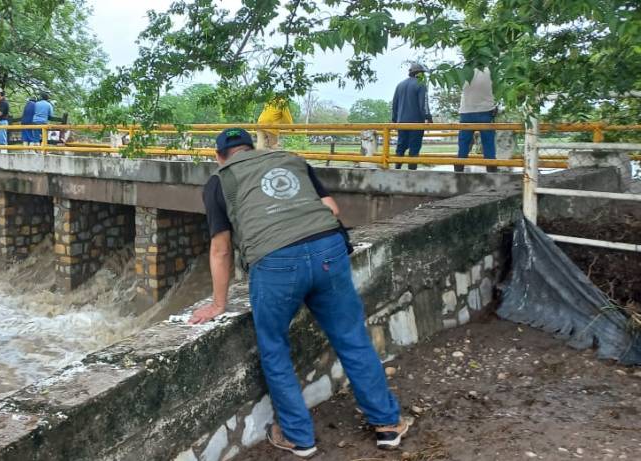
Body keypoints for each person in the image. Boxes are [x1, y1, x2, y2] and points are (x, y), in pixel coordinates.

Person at [190, 128, 412, 458]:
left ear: (219, 156)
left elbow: (221, 249)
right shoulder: (290, 159)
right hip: (328, 250)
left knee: (275, 348)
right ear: (252, 148)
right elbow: (331, 208)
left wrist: (218, 303)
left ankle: (299, 437)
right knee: (351, 336)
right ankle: (387, 425)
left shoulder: (219, 181)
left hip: (275, 262)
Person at [391, 63, 433, 170]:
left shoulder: (400, 85)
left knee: (400, 147)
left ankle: (397, 169)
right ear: (419, 73)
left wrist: (394, 120)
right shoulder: (421, 84)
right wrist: (428, 117)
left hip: (401, 123)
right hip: (416, 123)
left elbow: (394, 105)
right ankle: (412, 172)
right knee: (414, 149)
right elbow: (423, 105)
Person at [457, 68, 498, 173]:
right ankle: (491, 171)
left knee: (463, 143)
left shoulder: (464, 71)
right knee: (488, 143)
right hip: (485, 110)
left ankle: (458, 170)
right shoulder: (490, 71)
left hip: (466, 111)